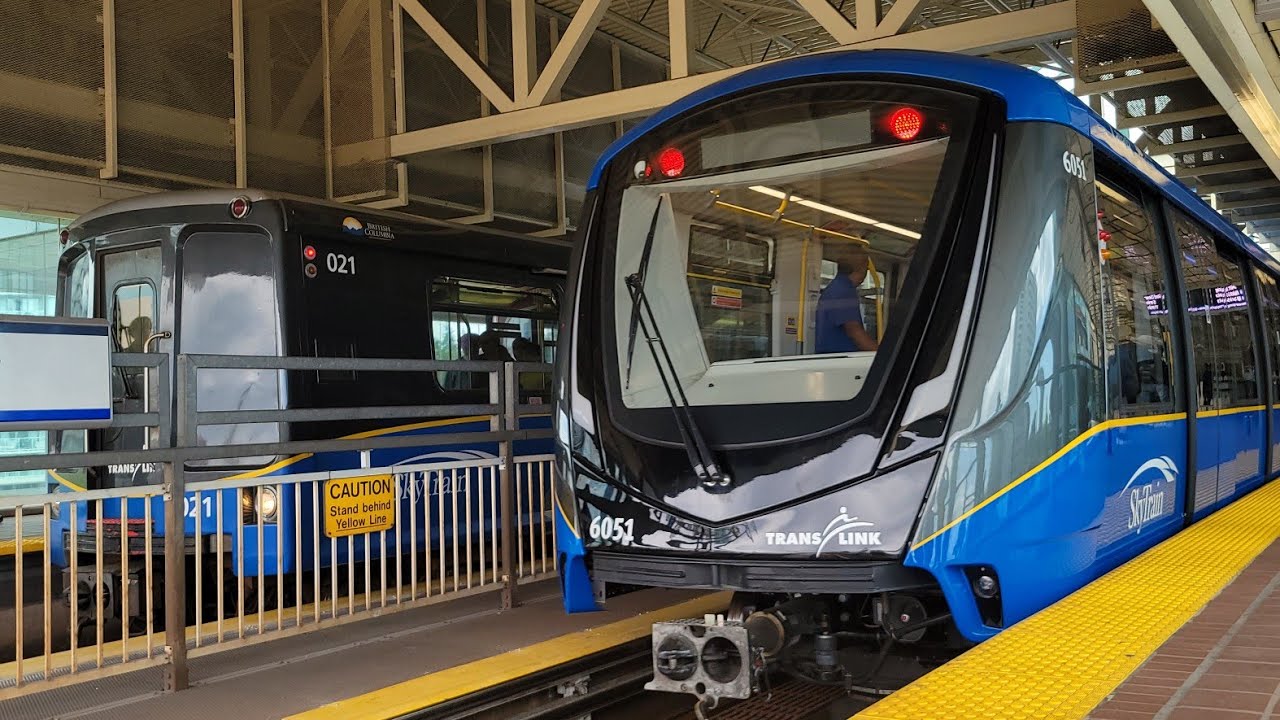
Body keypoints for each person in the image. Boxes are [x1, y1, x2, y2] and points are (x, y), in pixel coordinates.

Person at [815, 238, 878, 353]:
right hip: (840, 361)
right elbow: (855, 333)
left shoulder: (833, 289)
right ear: (861, 267)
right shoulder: (844, 292)